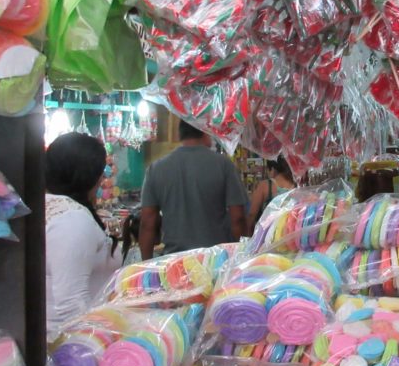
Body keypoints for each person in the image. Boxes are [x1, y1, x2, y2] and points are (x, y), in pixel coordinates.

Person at [45, 133, 121, 334]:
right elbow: (71, 303)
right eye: (101, 171)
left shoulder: (50, 206)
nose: (103, 177)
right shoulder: (72, 220)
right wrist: (94, 346)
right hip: (65, 342)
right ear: (91, 176)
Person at [139, 120, 246, 259]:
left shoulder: (155, 169)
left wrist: (146, 264)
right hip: (215, 261)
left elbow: (147, 222)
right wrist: (238, 257)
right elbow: (237, 218)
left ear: (180, 135)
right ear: (205, 132)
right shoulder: (223, 165)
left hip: (175, 261)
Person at [247, 156, 295, 234]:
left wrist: (248, 236)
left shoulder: (265, 185)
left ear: (272, 170)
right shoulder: (295, 185)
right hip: (289, 233)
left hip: (268, 235)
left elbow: (252, 214)